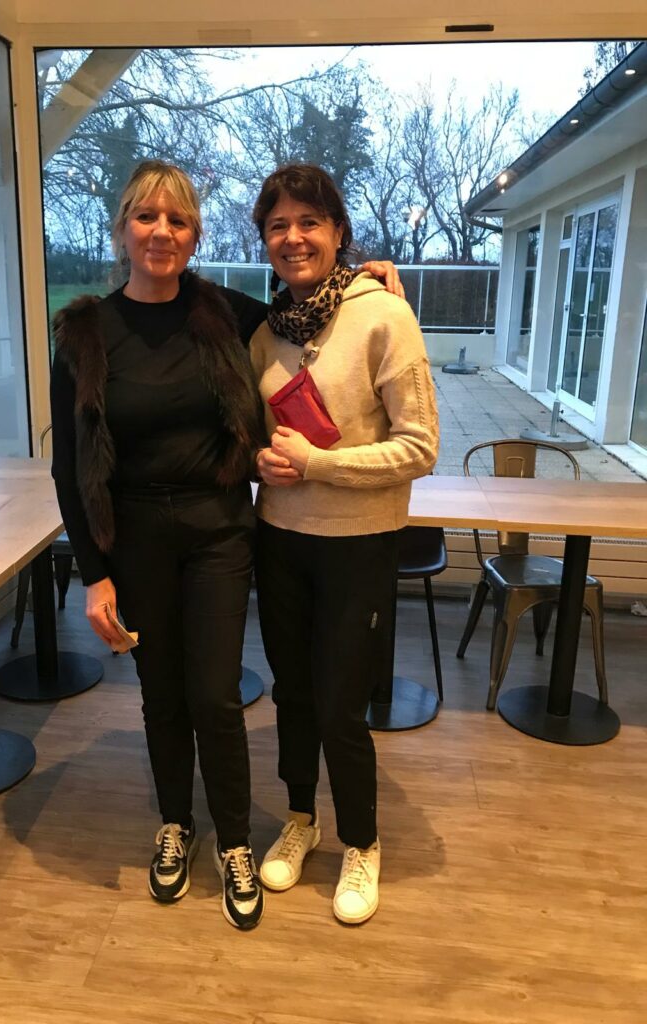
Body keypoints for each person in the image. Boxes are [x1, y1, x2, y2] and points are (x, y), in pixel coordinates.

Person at [50, 159, 403, 932]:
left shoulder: (225, 312)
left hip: (217, 532)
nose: (162, 232)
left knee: (214, 695)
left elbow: (311, 308)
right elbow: (68, 469)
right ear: (122, 229)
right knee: (161, 695)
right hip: (135, 540)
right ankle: (175, 824)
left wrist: (366, 275)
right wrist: (94, 575)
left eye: (178, 219)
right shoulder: (84, 333)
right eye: (147, 217)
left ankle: (235, 840)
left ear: (195, 235)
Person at [249, 164, 439, 925]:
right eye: (278, 226)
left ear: (338, 232)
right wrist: (262, 461)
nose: (294, 238)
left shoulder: (385, 317)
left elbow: (420, 447)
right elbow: (261, 437)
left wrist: (319, 465)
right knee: (292, 694)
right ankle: (302, 817)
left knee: (338, 706)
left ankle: (362, 840)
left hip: (358, 545)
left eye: (309, 222)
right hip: (279, 539)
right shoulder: (264, 332)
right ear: (264, 241)